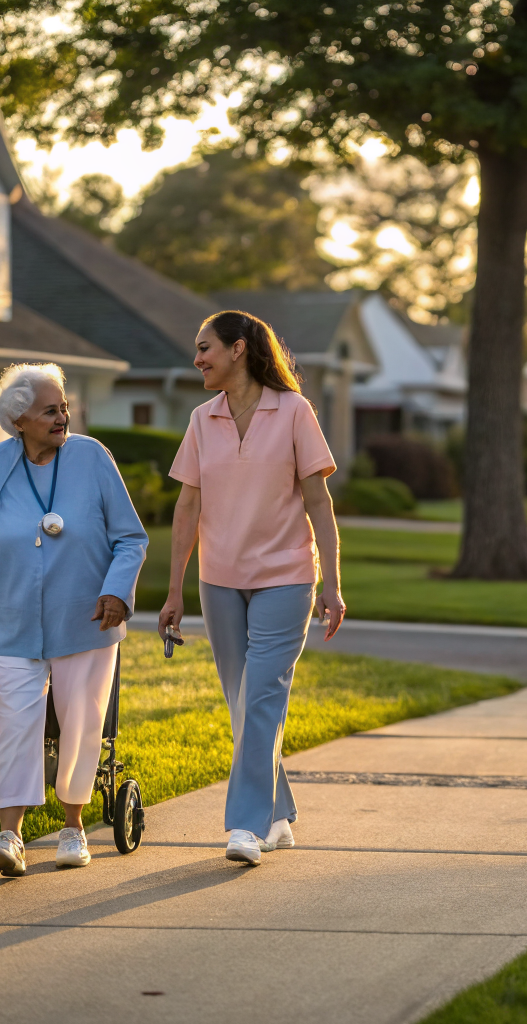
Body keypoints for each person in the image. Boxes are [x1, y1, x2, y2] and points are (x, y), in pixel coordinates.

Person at [158, 310, 345, 866]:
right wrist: (174, 593)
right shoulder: (201, 419)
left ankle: (244, 825)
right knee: (244, 706)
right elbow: (187, 505)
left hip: (285, 575)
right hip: (219, 579)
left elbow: (318, 502)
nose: (197, 360)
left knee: (262, 696)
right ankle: (278, 815)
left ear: (239, 349)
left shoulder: (292, 411)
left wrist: (331, 584)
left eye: (205, 348)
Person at [0, 363, 148, 877]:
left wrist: (116, 592)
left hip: (86, 618)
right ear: (19, 419)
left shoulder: (92, 458)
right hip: (10, 618)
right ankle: (11, 835)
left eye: (64, 406)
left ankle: (73, 827)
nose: (63, 416)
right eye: (50, 409)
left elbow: (131, 538)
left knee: (82, 722)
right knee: (15, 723)